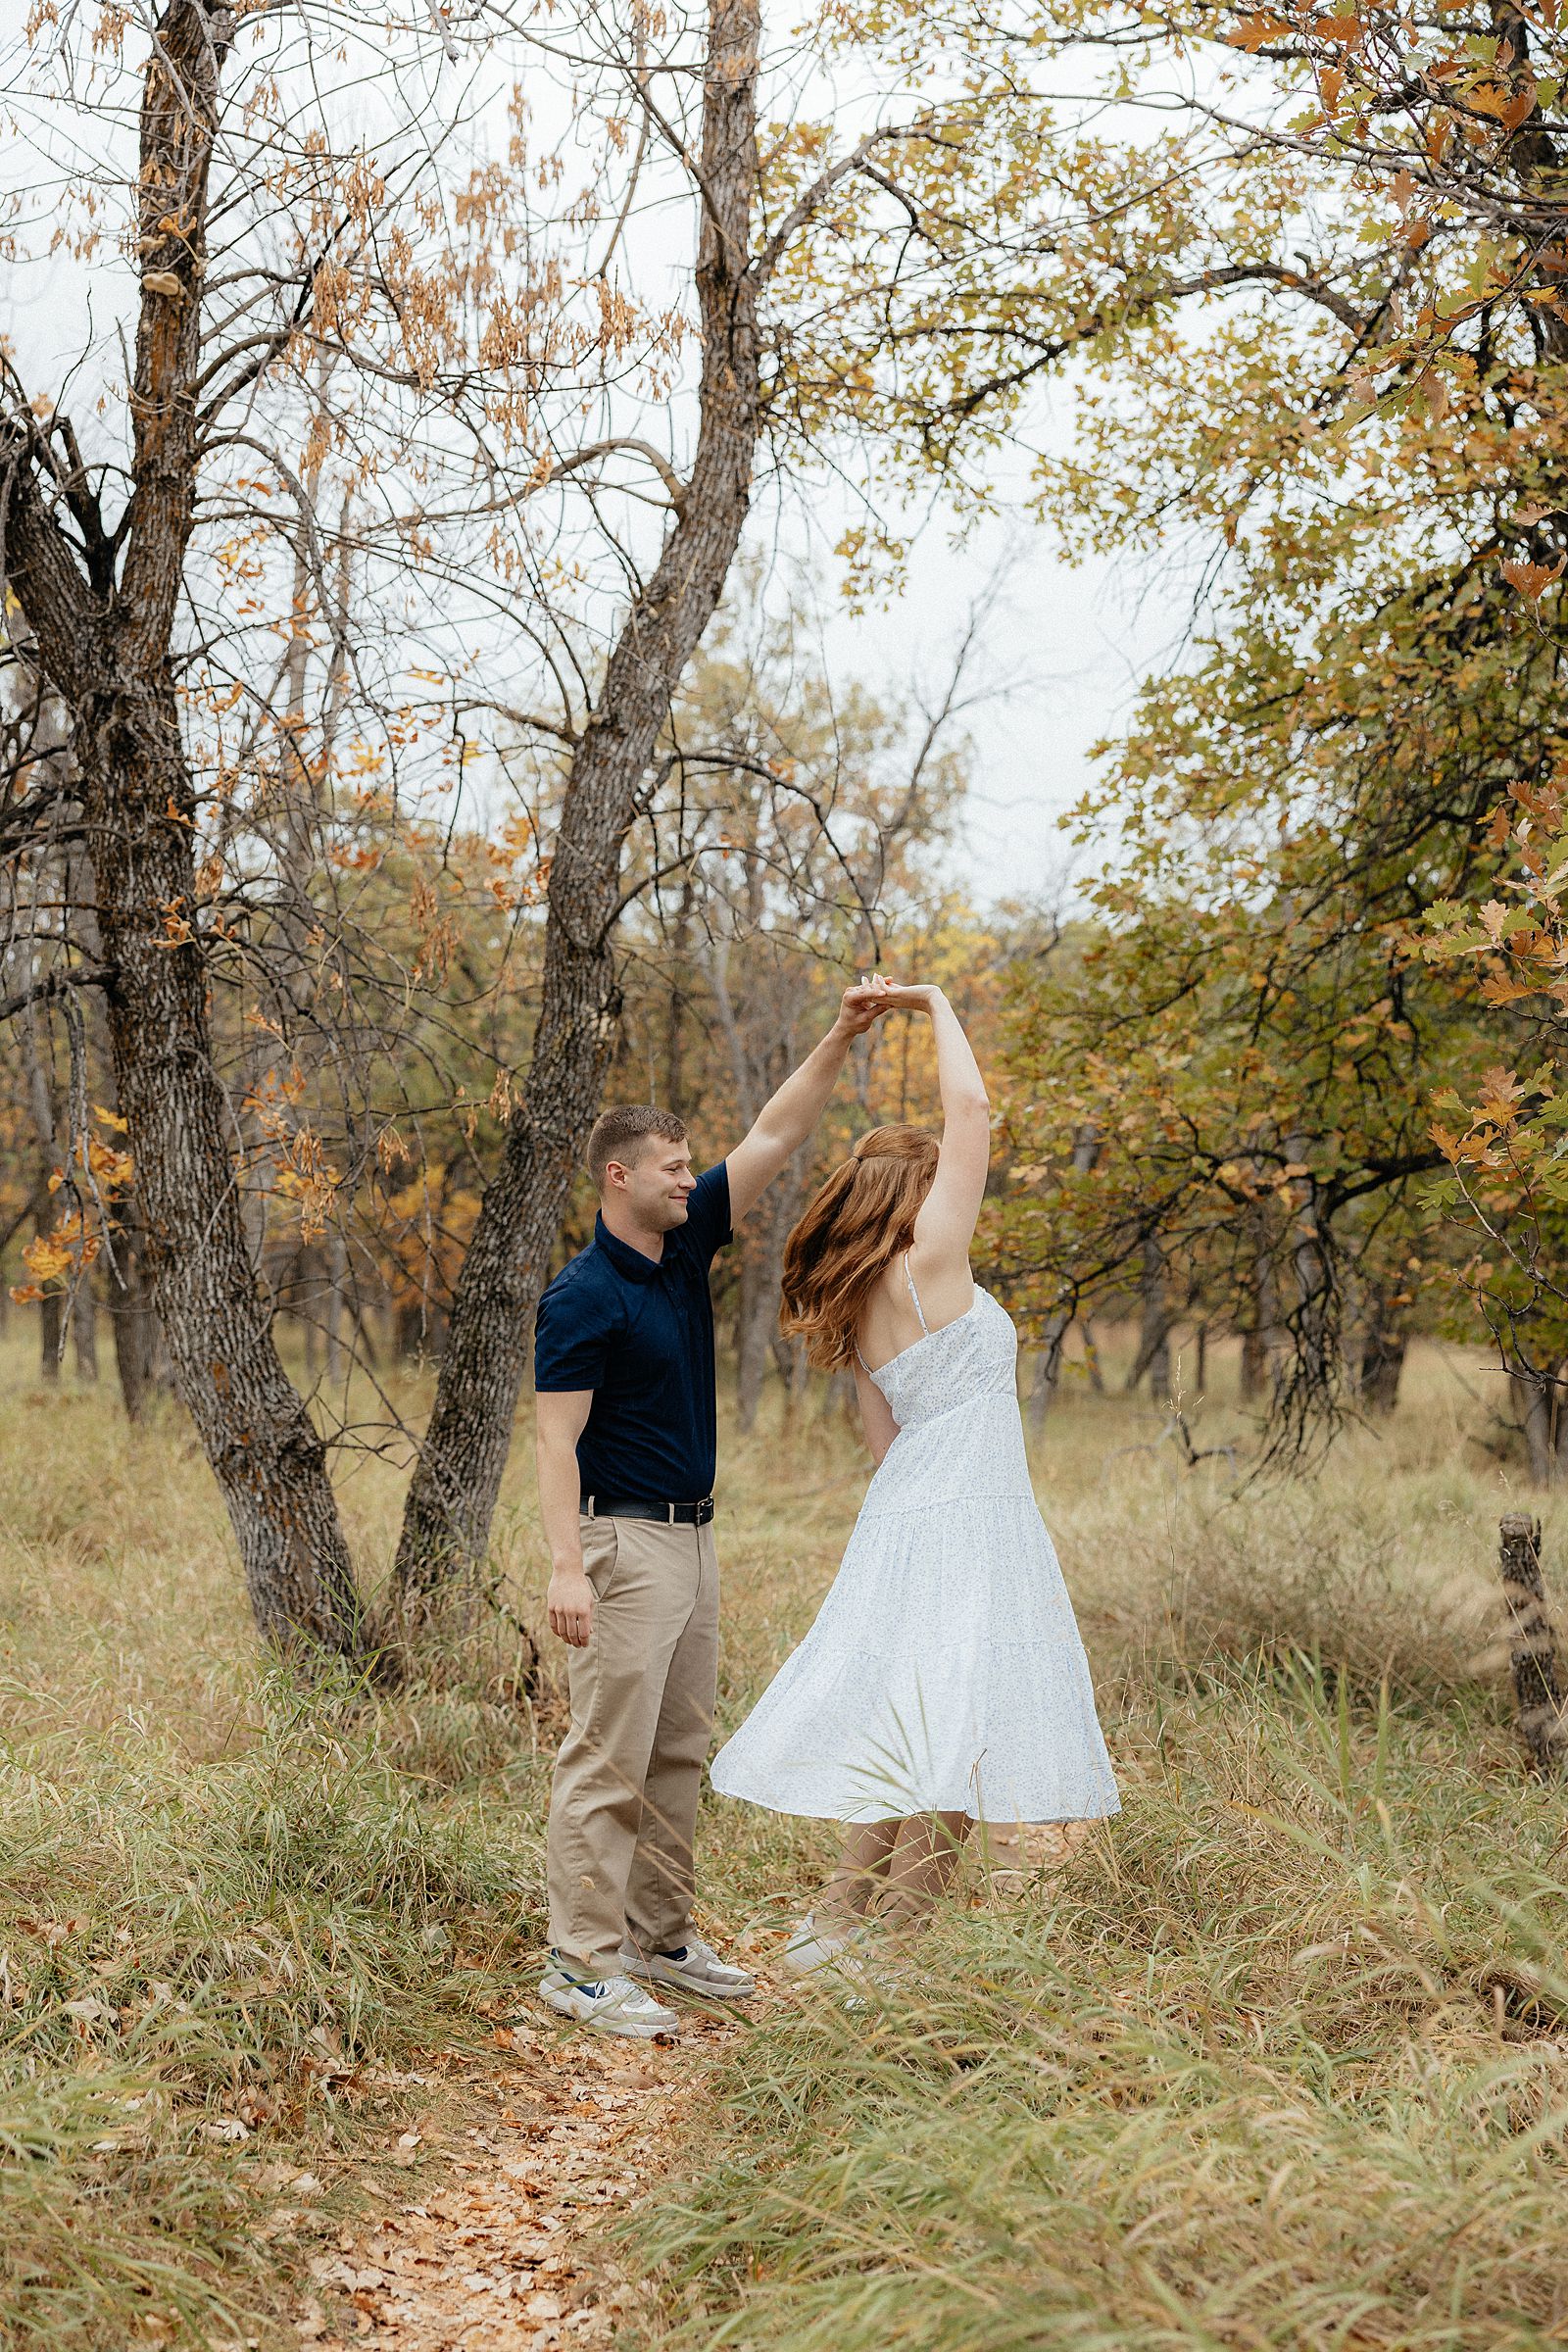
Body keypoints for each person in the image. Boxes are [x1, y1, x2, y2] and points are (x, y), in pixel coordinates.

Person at [709, 979, 1119, 1966]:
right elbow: (971, 1108)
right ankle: (887, 1956)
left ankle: (836, 1927)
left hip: (909, 1511)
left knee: (916, 1726)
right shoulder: (932, 1261)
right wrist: (934, 1002)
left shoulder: (859, 1302)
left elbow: (881, 1439)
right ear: (918, 1194)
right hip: (967, 1515)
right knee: (958, 1738)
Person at [533, 982, 891, 2037]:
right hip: (620, 1539)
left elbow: (779, 1129)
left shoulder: (685, 1248)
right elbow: (554, 1437)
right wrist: (565, 1564)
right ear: (619, 1176)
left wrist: (837, 1032)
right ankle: (580, 1963)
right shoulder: (580, 1296)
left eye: (693, 1167)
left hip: (693, 1536)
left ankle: (661, 1938)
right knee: (607, 1757)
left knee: (680, 1748)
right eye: (674, 1168)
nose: (692, 1178)